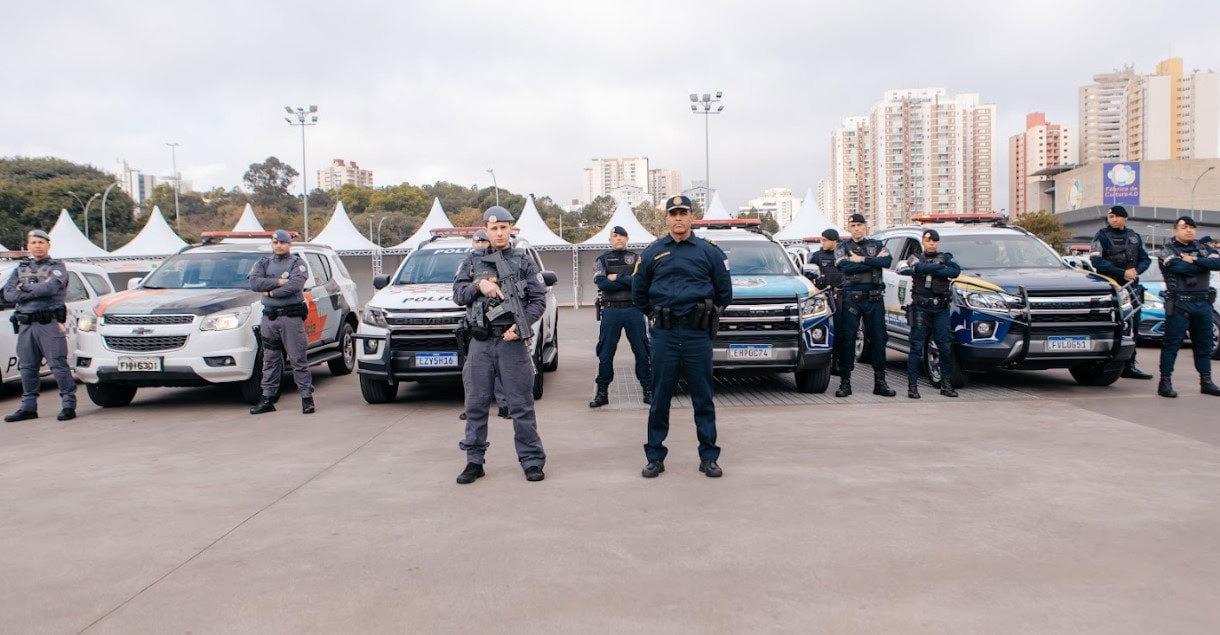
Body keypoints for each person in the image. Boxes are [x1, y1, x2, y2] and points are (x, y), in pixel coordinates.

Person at [632, 195, 732, 479]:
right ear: (667, 218)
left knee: (703, 398)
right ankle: (654, 456)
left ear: (692, 217)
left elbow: (724, 292)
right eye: (673, 213)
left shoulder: (709, 252)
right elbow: (639, 294)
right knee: (660, 398)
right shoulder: (652, 253)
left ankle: (709, 457)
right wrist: (657, 314)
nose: (678, 218)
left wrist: (706, 314)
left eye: (683, 213)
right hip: (664, 333)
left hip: (697, 334)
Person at [452, 206, 548, 484]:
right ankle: (474, 461)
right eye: (493, 228)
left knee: (521, 405)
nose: (499, 233)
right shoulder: (472, 260)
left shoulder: (524, 260)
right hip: (481, 342)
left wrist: (520, 327)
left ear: (511, 229)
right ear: (486, 230)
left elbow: (538, 300)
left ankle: (531, 460)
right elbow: (458, 294)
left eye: (503, 228)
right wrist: (478, 286)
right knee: (476, 404)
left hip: (512, 344)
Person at [2, 230, 76, 422]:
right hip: (26, 324)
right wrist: (31, 292)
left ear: (48, 245)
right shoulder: (20, 268)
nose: (37, 246)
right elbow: (8, 294)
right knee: (27, 367)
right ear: (28, 245)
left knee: (58, 365)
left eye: (41, 242)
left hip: (49, 323)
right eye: (33, 242)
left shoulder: (57, 266)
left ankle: (68, 405)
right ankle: (28, 407)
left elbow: (50, 288)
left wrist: (23, 289)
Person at [247, 229, 314, 415]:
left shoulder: (297, 263)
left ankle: (307, 398)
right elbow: (254, 283)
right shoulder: (263, 262)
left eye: (282, 243)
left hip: (291, 319)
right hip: (269, 318)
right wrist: (279, 282)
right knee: (270, 360)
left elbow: (294, 286)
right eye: (275, 243)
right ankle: (268, 398)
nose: (279, 246)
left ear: (289, 244)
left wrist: (270, 292)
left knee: (298, 359)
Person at [1155, 216, 1220, 398]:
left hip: (1203, 304)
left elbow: (1218, 263)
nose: (1189, 230)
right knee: (1172, 344)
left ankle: (1206, 382)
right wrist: (1201, 263)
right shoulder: (1167, 250)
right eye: (1184, 227)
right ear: (1176, 230)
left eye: (1192, 227)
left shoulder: (1203, 247)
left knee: (1204, 345)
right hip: (1180, 304)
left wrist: (1194, 260)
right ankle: (1165, 382)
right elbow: (1179, 268)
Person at [589, 225, 652, 408]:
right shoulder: (602, 259)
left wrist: (616, 277)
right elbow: (601, 284)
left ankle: (648, 390)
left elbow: (639, 283)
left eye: (622, 236)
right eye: (615, 236)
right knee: (605, 353)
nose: (618, 239)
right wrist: (626, 281)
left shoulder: (637, 258)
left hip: (634, 310)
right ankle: (602, 393)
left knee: (642, 351)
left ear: (627, 239)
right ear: (609, 239)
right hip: (611, 310)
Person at [834, 213, 895, 397]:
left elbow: (886, 261)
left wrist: (860, 260)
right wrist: (872, 263)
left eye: (860, 225)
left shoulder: (875, 245)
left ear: (865, 226)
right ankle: (845, 383)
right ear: (849, 227)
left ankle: (880, 382)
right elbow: (845, 267)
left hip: (874, 298)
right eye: (853, 226)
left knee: (879, 339)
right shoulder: (842, 247)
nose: (857, 229)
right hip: (852, 299)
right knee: (848, 340)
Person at [1089, 205, 1153, 379]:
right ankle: (1107, 364)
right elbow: (1096, 261)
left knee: (1134, 327)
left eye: (1117, 216)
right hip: (1111, 288)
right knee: (1112, 326)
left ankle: (1129, 365)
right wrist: (1122, 272)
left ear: (1125, 218)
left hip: (1131, 287)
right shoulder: (1101, 236)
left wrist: (1135, 271)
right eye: (1111, 217)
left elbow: (1146, 259)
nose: (1114, 220)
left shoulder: (1134, 236)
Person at [897, 229, 961, 399]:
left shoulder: (946, 257)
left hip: (940, 309)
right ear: (923, 242)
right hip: (921, 309)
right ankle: (912, 386)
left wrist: (930, 269)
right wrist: (939, 268)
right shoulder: (915, 257)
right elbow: (917, 267)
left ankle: (946, 384)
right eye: (928, 240)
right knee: (916, 348)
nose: (932, 243)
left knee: (945, 347)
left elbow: (955, 271)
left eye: (935, 240)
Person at [459, 229, 509, 421]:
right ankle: (471, 408)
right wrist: (478, 285)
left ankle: (505, 406)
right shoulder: (469, 263)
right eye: (477, 242)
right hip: (477, 329)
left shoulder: (502, 261)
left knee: (501, 372)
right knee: (471, 374)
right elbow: (459, 294)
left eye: (483, 241)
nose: (480, 245)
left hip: (502, 327)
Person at [810, 228, 845, 376]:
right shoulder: (817, 256)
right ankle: (825, 362)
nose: (822, 242)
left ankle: (837, 362)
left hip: (840, 297)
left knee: (840, 332)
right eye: (821, 239)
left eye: (825, 240)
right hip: (823, 297)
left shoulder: (843, 255)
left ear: (834, 241)